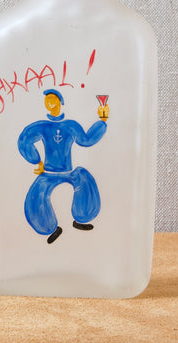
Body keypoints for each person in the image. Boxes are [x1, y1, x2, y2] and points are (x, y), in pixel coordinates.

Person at [17, 89, 109, 243]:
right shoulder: (42, 126)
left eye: (53, 99)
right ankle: (48, 228)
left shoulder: (70, 126)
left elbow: (86, 140)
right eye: (47, 99)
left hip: (69, 172)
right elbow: (24, 140)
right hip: (48, 174)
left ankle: (82, 217)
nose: (50, 102)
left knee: (84, 178)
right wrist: (36, 161)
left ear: (61, 102)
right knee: (37, 196)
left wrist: (102, 121)